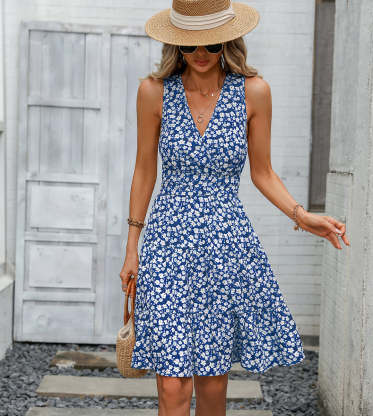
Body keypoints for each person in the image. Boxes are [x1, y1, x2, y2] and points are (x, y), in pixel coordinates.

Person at [119, 1, 350, 415]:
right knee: (172, 384)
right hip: (167, 245)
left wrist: (303, 216)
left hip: (226, 249)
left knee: (212, 385)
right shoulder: (153, 91)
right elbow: (144, 170)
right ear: (176, 44)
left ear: (228, 40)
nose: (201, 53)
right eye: (190, 45)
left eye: (211, 43)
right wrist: (131, 246)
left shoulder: (253, 91)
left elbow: (263, 173)